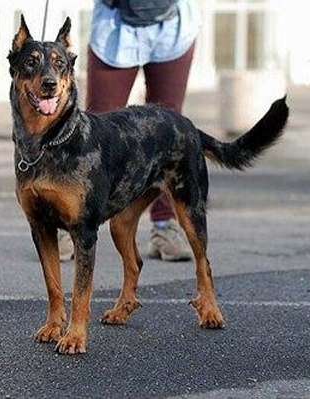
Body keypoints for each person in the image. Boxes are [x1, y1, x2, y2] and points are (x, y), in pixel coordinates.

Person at [59, 0, 200, 261]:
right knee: (95, 132)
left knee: (168, 134)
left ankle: (164, 226)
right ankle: (72, 222)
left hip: (172, 26)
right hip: (116, 25)